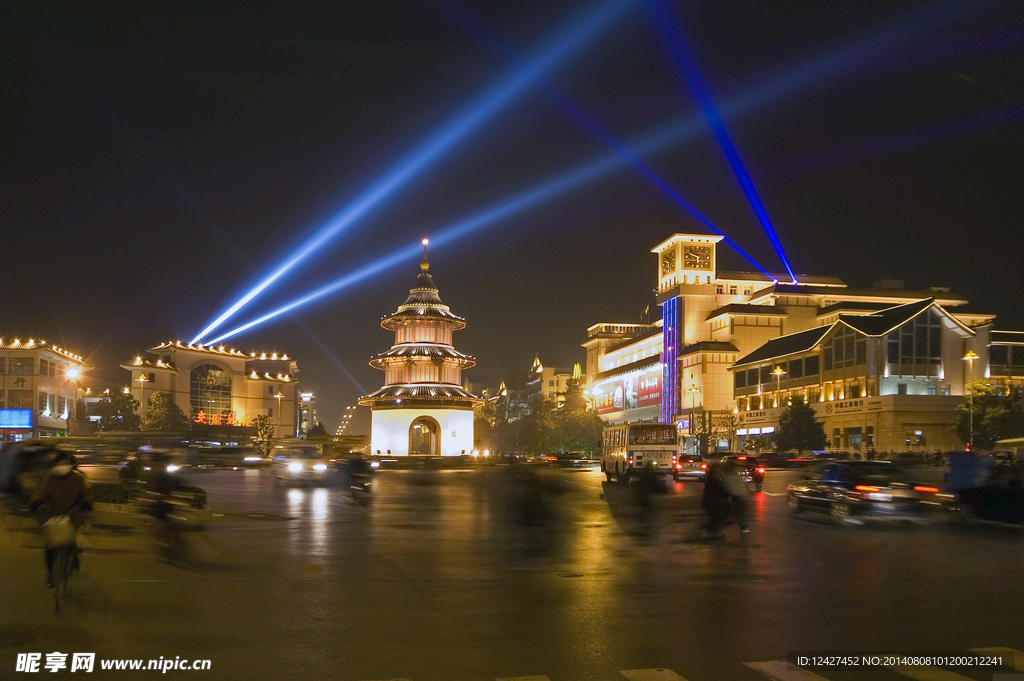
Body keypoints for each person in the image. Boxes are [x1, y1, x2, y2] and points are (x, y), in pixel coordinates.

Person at [29, 452, 92, 587]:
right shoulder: (49, 478)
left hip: (73, 517)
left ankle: (74, 561)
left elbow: (85, 493)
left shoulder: (78, 479)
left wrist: (86, 503)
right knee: (50, 547)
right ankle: (51, 574)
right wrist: (36, 502)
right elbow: (41, 492)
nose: (61, 466)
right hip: (52, 517)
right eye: (59, 463)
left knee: (72, 542)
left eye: (64, 463)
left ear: (70, 464)